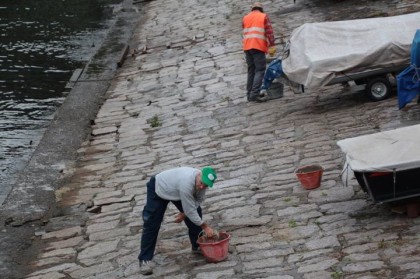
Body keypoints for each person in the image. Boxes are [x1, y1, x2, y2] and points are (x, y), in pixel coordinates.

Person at [138, 166, 217, 275]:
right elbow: (190, 209)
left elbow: (198, 201)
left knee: (195, 212)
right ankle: (144, 259)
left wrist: (185, 213)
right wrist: (205, 226)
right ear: (199, 175)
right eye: (201, 183)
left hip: (176, 191)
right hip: (159, 188)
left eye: (206, 185)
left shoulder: (201, 184)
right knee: (151, 223)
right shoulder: (187, 182)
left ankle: (197, 245)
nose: (202, 186)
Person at [242, 2, 275, 102]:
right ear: (261, 9)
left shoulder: (245, 17)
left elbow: (244, 30)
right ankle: (255, 94)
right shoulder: (263, 16)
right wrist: (272, 45)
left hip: (247, 47)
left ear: (252, 9)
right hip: (258, 46)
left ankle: (249, 94)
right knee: (260, 70)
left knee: (251, 70)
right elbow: (269, 32)